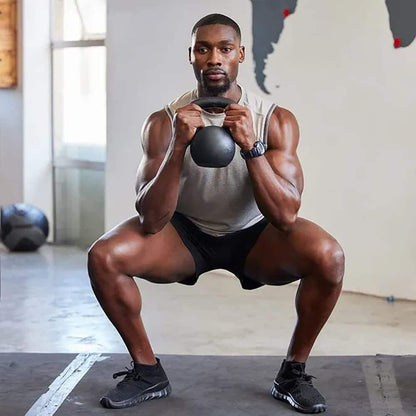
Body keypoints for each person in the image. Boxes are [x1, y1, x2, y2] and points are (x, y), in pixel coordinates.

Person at [88, 13, 345, 414]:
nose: (214, 58)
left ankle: (292, 374)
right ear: (191, 56)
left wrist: (252, 147)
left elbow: (286, 216)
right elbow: (151, 220)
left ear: (240, 54)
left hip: (256, 235)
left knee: (329, 257)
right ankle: (147, 371)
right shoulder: (163, 121)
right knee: (104, 256)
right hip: (184, 235)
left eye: (225, 49)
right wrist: (177, 145)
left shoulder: (274, 119)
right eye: (203, 49)